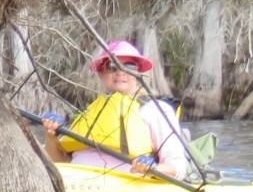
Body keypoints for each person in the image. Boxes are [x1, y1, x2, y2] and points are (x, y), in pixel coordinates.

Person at [41, 39, 190, 179]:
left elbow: (179, 166)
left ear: (137, 73)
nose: (121, 72)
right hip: (76, 181)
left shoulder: (156, 109)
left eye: (129, 66)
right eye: (112, 67)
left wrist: (154, 168)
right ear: (101, 73)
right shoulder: (93, 111)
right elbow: (58, 162)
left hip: (126, 187)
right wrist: (51, 134)